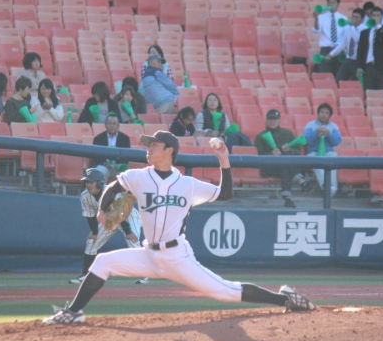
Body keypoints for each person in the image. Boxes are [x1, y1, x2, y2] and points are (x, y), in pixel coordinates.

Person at [42, 130, 315, 325]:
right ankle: (73, 312)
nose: (148, 148)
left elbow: (226, 193)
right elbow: (114, 186)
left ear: (169, 150)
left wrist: (223, 160)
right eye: (148, 145)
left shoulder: (188, 184)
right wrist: (102, 210)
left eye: (154, 145)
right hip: (148, 254)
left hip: (177, 256)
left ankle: (284, 299)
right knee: (102, 262)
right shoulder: (138, 176)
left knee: (226, 292)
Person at [69, 168, 146, 286]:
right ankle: (85, 274)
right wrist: (94, 232)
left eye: (91, 182)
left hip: (128, 217)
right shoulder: (85, 196)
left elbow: (121, 213)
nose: (88, 185)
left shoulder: (110, 191)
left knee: (132, 242)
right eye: (87, 182)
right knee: (91, 242)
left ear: (99, 183)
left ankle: (144, 274)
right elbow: (90, 215)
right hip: (109, 220)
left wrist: (128, 232)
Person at [254, 109, 307, 209]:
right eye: (270, 119)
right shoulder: (260, 136)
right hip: (269, 168)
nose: (272, 121)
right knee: (286, 163)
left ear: (279, 120)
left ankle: (287, 198)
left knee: (285, 165)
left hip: (284, 167)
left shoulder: (288, 133)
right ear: (266, 120)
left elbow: (298, 152)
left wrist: (289, 150)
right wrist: (271, 154)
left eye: (275, 119)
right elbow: (258, 155)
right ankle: (301, 181)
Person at [304, 103, 342, 197]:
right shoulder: (310, 125)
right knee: (318, 163)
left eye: (326, 113)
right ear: (318, 113)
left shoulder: (333, 126)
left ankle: (332, 188)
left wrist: (328, 133)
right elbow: (307, 140)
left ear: (329, 115)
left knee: (333, 160)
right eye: (321, 112)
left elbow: (336, 141)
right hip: (314, 152)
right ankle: (327, 187)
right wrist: (316, 132)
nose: (323, 114)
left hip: (329, 152)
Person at [357, 7, 383, 91]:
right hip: (368, 67)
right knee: (369, 92)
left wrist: (378, 27)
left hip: (382, 68)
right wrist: (359, 67)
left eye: (378, 15)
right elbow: (360, 51)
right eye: (373, 15)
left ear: (382, 17)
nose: (375, 17)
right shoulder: (364, 32)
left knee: (382, 92)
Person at [312, 0, 347, 74]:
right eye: (329, 3)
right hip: (326, 49)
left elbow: (346, 35)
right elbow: (316, 31)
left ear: (338, 4)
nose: (331, 4)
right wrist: (316, 19)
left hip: (339, 49)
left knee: (338, 73)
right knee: (324, 73)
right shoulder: (321, 17)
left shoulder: (343, 18)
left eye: (333, 2)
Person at [328, 8, 365, 81]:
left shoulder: (364, 29)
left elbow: (358, 40)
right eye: (353, 16)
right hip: (348, 59)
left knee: (357, 83)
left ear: (362, 19)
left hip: (358, 61)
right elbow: (344, 43)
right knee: (338, 80)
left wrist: (352, 27)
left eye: (357, 17)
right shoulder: (347, 28)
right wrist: (332, 53)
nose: (354, 19)